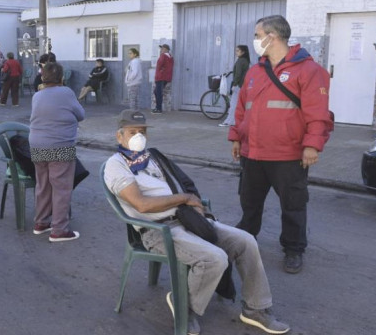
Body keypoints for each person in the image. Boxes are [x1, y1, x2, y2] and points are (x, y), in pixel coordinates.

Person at [104, 109, 290, 335]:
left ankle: (256, 309)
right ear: (119, 136)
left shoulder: (151, 157)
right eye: (133, 132)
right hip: (159, 229)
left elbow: (181, 184)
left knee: (246, 241)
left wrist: (196, 206)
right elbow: (141, 204)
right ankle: (185, 305)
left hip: (186, 218)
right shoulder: (116, 165)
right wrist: (185, 199)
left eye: (142, 131)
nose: (139, 136)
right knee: (215, 258)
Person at [228, 15, 332, 274]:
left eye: (257, 34)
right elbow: (242, 109)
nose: (255, 40)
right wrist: (236, 138)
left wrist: (312, 146)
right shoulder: (254, 71)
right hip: (253, 153)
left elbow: (318, 113)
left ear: (271, 37)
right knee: (249, 202)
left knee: (293, 205)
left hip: (287, 155)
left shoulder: (309, 71)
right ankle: (245, 240)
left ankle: (294, 249)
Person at [30, 62, 85, 242]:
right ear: (62, 78)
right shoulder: (67, 93)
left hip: (37, 146)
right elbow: (81, 115)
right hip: (60, 146)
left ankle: (41, 222)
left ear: (43, 78)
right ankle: (59, 229)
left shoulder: (37, 96)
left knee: (43, 185)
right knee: (61, 187)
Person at [219, 45, 251, 127]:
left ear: (243, 52)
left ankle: (229, 121)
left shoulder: (240, 61)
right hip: (243, 85)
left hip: (239, 85)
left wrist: (234, 85)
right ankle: (236, 121)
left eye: (238, 51)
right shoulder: (246, 60)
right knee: (239, 104)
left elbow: (238, 74)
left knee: (233, 104)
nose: (236, 52)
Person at [153, 44, 174, 114]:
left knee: (158, 92)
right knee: (157, 92)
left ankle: (158, 109)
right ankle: (158, 107)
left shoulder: (163, 56)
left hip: (160, 77)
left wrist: (159, 72)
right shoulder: (170, 57)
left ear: (166, 49)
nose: (161, 50)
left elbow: (159, 65)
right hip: (166, 78)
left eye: (162, 48)